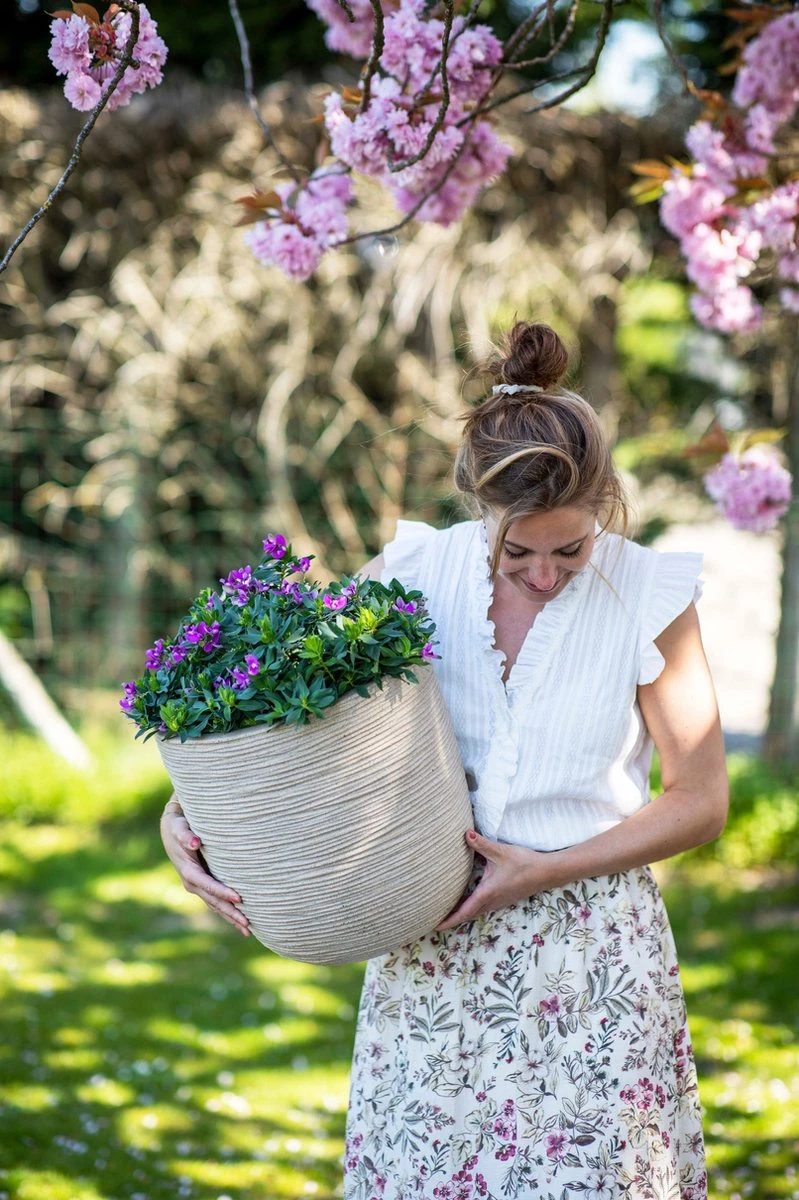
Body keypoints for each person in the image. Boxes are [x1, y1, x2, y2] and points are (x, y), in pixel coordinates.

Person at [160, 321, 728, 1200]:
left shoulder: (650, 593)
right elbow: (291, 728)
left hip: (590, 957)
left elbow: (699, 799)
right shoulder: (413, 573)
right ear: (480, 510)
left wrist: (543, 870)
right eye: (517, 551)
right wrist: (191, 813)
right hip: (430, 943)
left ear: (605, 506)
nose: (544, 574)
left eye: (570, 549)